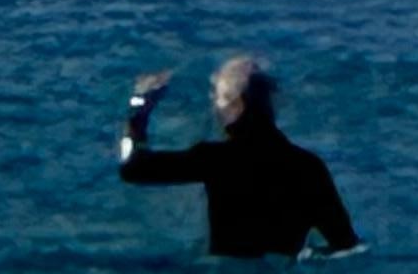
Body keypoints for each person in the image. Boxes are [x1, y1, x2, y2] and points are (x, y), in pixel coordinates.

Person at [119, 54, 359, 259]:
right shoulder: (308, 166)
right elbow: (346, 245)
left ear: (236, 106)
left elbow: (133, 168)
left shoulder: (216, 160)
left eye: (219, 98)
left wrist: (139, 109)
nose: (214, 107)